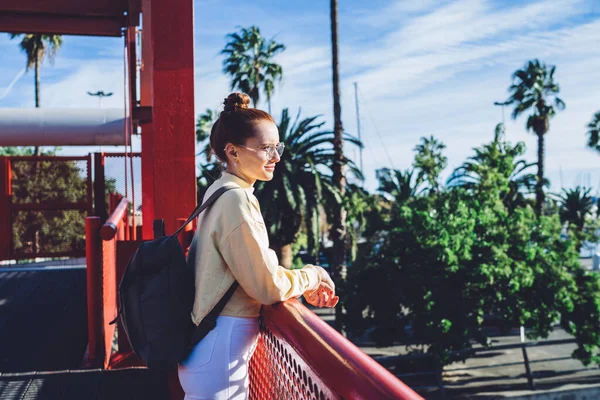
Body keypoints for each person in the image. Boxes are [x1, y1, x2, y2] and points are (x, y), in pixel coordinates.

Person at [178, 92, 338, 400]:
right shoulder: (237, 199)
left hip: (209, 350)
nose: (276, 157)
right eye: (266, 148)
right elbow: (266, 286)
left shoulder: (218, 191)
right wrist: (313, 275)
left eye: (277, 147)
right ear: (233, 152)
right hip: (220, 355)